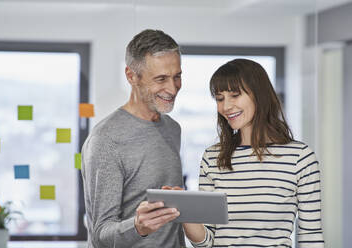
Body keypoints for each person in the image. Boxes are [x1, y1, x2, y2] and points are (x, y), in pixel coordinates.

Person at [182, 59, 324, 247]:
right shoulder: (212, 158)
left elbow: (311, 235)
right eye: (220, 98)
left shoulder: (300, 158)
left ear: (259, 95)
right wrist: (184, 210)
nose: (226, 106)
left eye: (235, 95)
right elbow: (207, 242)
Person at [81, 29, 186, 248]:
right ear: (131, 76)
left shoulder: (173, 128)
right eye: (161, 79)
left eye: (177, 76)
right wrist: (138, 227)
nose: (172, 88)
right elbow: (101, 234)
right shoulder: (106, 139)